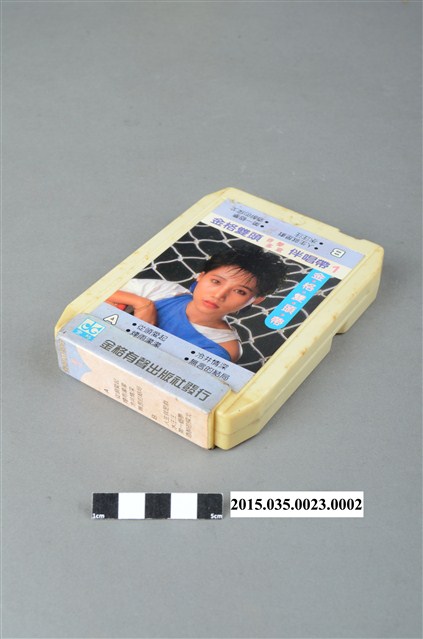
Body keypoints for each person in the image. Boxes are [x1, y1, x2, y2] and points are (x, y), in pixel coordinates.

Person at [106, 246, 287, 362]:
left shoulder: (224, 348)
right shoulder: (165, 291)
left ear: (256, 300)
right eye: (216, 281)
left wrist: (143, 328)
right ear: (201, 276)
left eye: (240, 291)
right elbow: (100, 291)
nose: (219, 295)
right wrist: (141, 304)